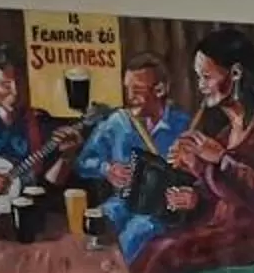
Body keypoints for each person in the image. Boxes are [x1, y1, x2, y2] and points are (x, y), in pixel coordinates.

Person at [141, 27, 254, 273]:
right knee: (152, 249)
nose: (200, 85)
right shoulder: (226, 131)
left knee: (161, 258)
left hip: (253, 239)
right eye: (198, 76)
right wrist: (194, 197)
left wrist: (221, 159)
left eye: (206, 76)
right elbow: (218, 193)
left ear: (235, 74)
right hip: (223, 230)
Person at [72, 54, 191, 262]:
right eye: (127, 88)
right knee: (95, 225)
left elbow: (202, 177)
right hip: (122, 200)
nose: (129, 96)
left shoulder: (183, 124)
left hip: (160, 209)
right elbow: (83, 162)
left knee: (135, 233)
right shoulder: (117, 122)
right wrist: (106, 169)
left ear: (160, 90)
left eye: (136, 90)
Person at [0, 44, 78, 237]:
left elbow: (49, 185)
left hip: (33, 219)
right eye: (6, 85)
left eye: (20, 81)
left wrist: (66, 157)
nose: (16, 91)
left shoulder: (41, 123)